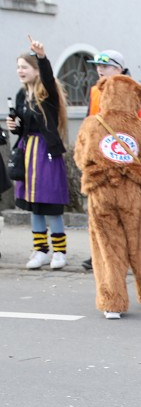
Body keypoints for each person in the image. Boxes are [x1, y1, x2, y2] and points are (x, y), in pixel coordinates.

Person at [73, 74, 141, 318]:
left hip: (101, 193)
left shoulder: (92, 124)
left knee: (107, 247)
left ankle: (112, 302)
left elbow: (80, 158)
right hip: (131, 194)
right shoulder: (139, 128)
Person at [8, 36, 69, 271]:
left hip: (46, 153)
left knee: (49, 203)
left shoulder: (48, 93)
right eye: (18, 67)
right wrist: (16, 127)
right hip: (27, 151)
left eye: (24, 67)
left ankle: (60, 252)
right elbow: (24, 126)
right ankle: (41, 251)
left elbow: (48, 75)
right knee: (33, 205)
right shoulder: (22, 95)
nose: (20, 71)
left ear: (35, 70)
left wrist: (42, 57)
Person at [82, 49, 139, 272]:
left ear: (119, 69)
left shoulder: (130, 91)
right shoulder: (95, 90)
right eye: (98, 66)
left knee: (125, 208)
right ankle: (102, 252)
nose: (100, 70)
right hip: (98, 154)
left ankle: (129, 253)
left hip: (120, 153)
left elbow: (134, 124)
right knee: (101, 208)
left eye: (105, 66)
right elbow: (90, 119)